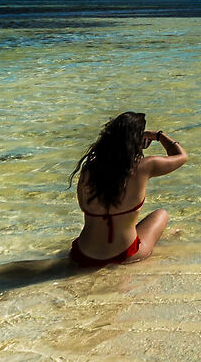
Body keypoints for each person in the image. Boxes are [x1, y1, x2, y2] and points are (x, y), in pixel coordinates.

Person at [70, 111, 185, 268]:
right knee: (161, 214)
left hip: (82, 254)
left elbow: (83, 206)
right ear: (137, 141)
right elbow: (181, 156)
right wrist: (158, 136)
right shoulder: (145, 166)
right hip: (126, 255)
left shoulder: (88, 170)